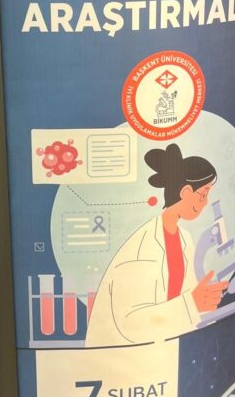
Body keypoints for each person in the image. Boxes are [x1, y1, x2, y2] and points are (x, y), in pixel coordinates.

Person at [85, 143, 227, 347]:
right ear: (186, 192)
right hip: (118, 356)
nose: (205, 202)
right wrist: (193, 303)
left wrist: (207, 300)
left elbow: (189, 300)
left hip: (161, 349)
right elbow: (130, 323)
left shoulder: (185, 239)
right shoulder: (143, 245)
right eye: (203, 194)